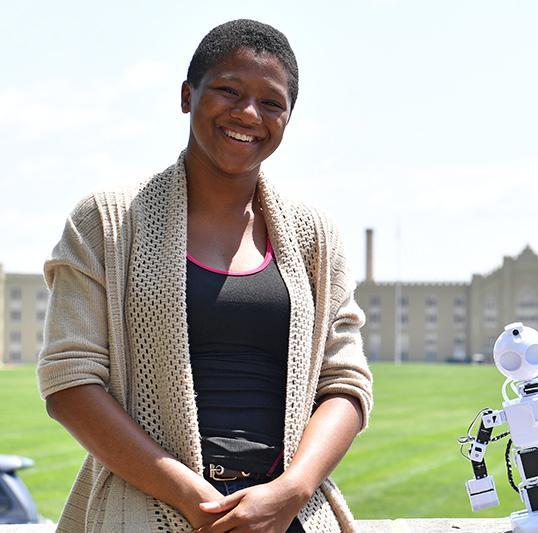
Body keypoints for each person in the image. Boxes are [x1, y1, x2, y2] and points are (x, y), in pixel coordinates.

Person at [37, 19, 373, 533]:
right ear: (186, 95)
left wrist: (291, 490)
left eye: (272, 102)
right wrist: (194, 498)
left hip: (290, 518)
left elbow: (344, 381)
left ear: (288, 118)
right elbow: (69, 380)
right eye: (228, 91)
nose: (248, 113)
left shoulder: (314, 235)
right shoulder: (107, 220)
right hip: (147, 510)